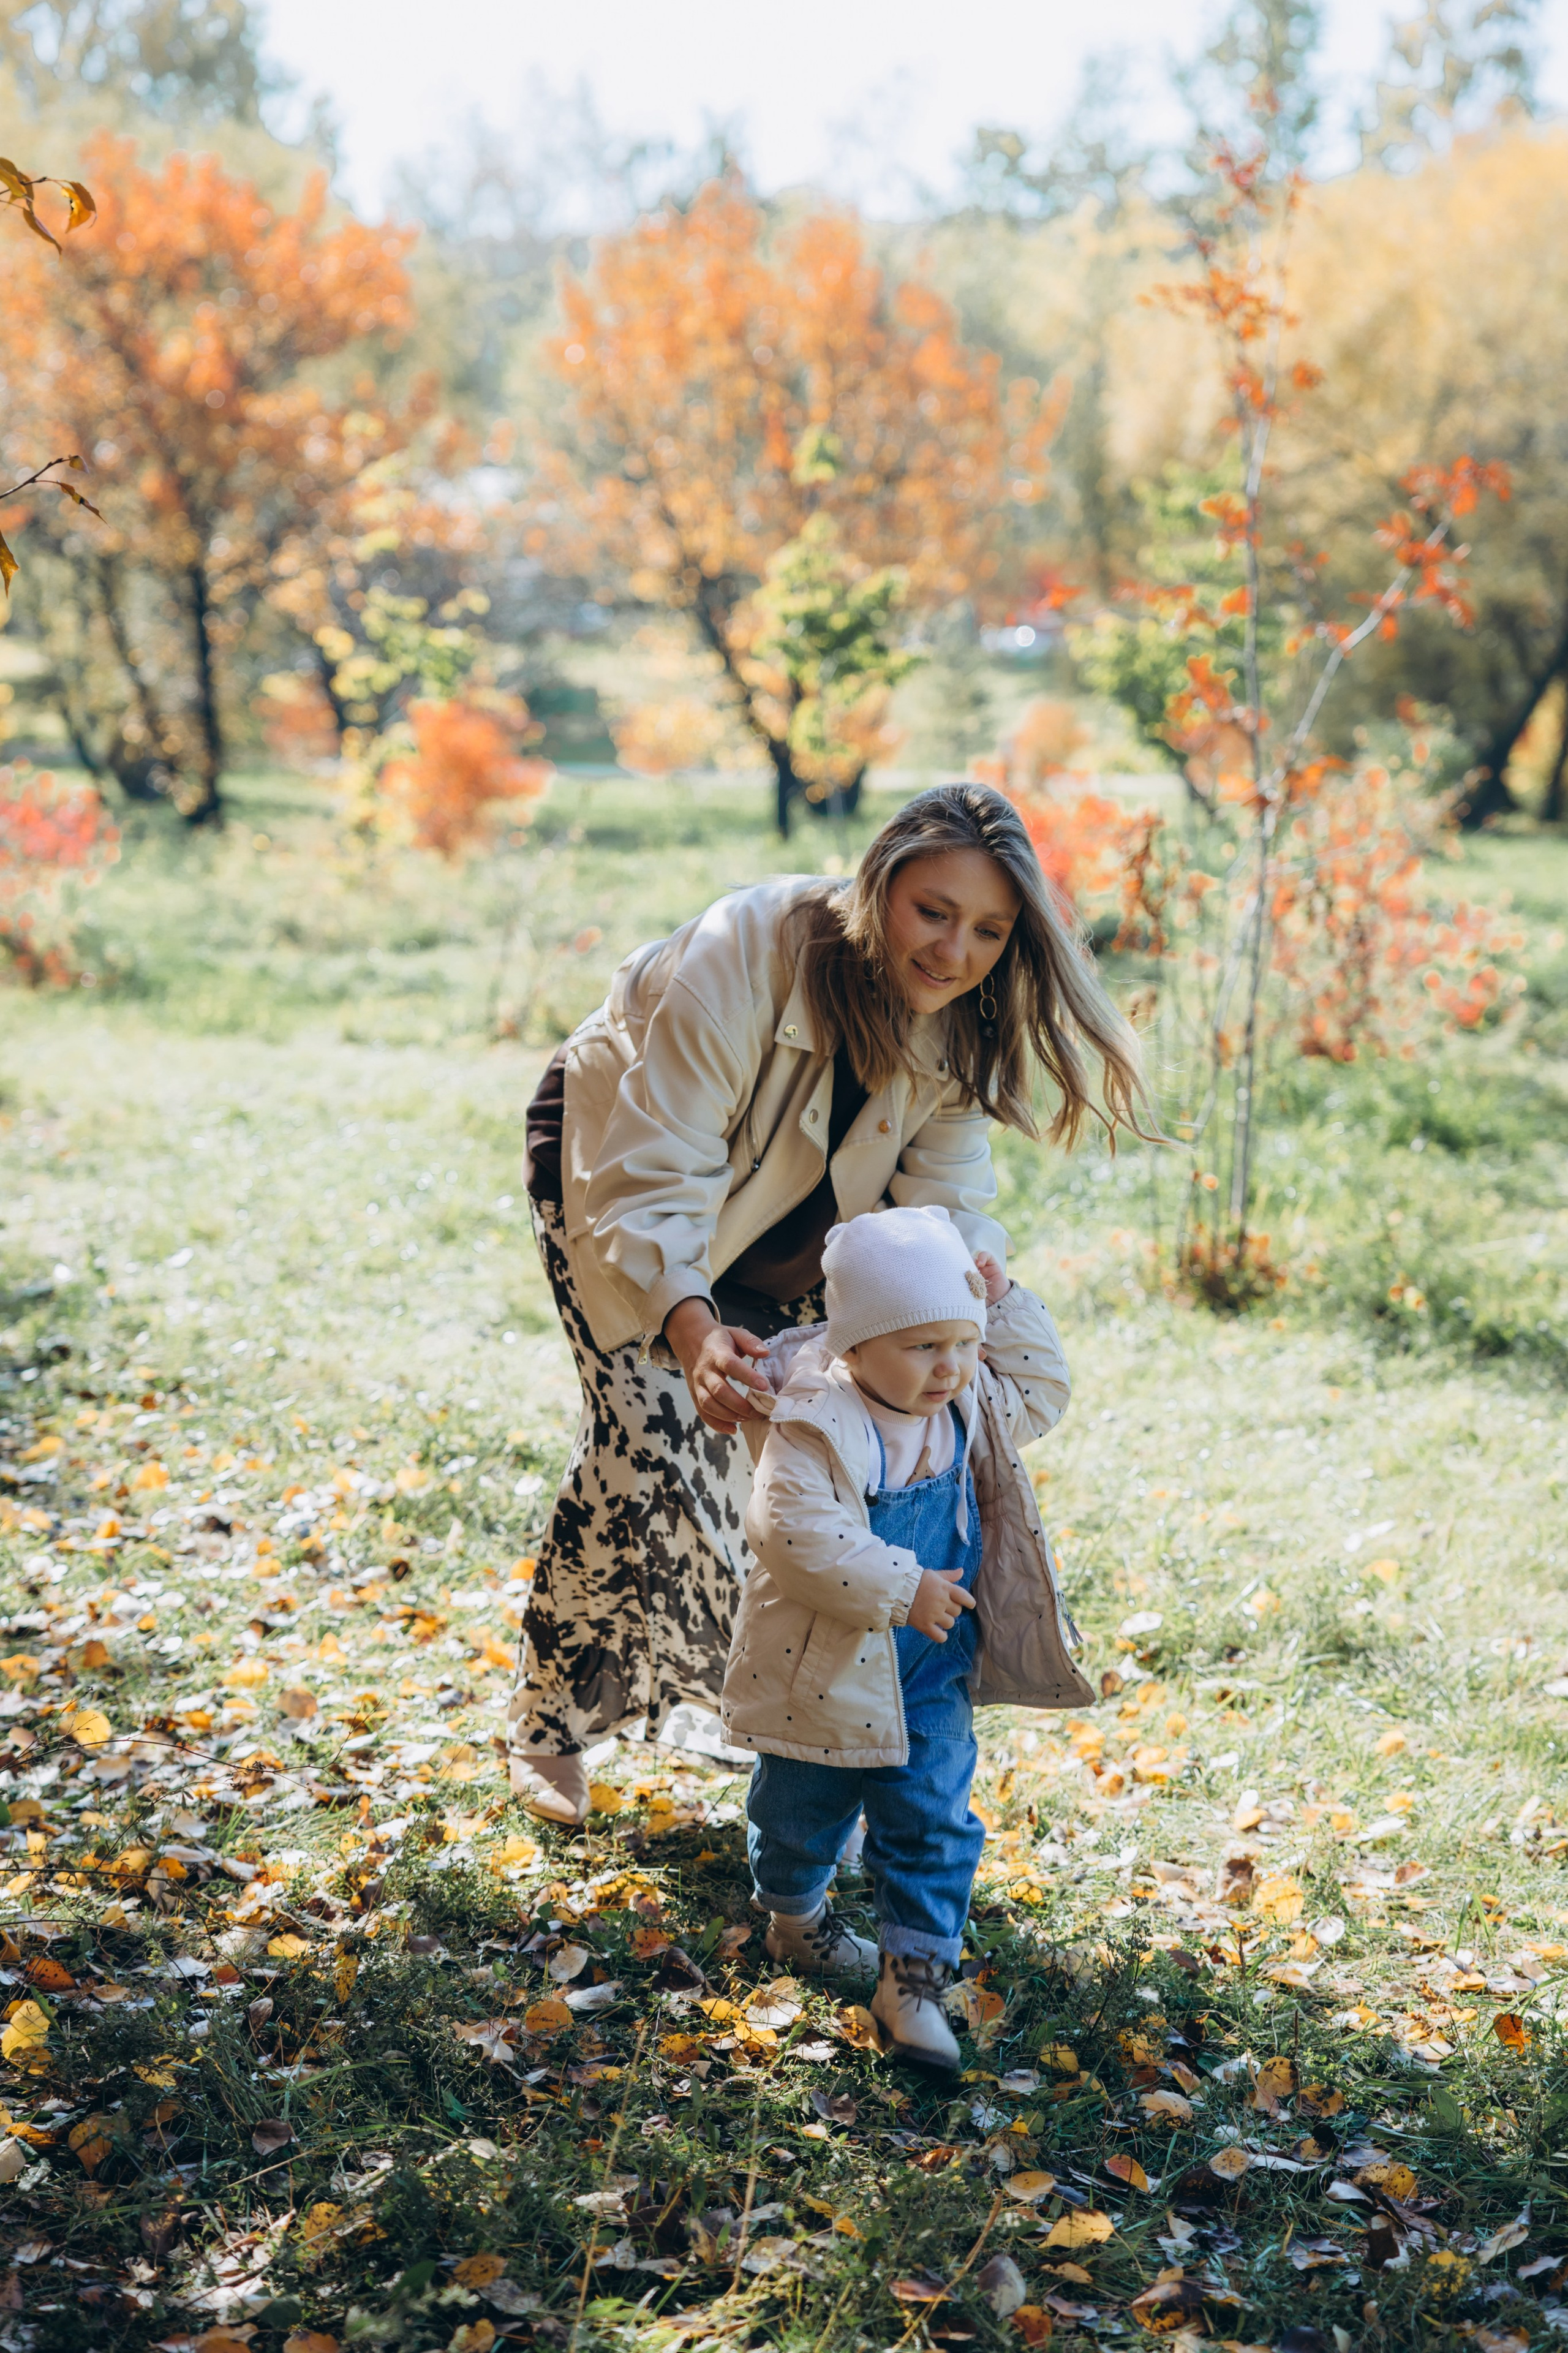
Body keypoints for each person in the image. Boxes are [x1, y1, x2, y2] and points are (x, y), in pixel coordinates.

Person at [511, 781, 1147, 1826]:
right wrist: (695, 1326)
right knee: (653, 1431)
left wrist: (967, 1282)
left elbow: (947, 1195)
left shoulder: (959, 1019)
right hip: (616, 1172)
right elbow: (655, 1169)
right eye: (932, 910)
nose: (955, 950)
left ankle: (752, 1710)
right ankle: (551, 1726)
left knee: (802, 1454)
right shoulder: (745, 950)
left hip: (808, 1221)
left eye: (989, 929)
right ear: (879, 883)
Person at [720, 1204, 1090, 2071]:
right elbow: (793, 1530)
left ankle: (913, 1983)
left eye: (962, 1342)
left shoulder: (966, 1401)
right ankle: (794, 1916)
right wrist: (901, 1585)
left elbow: (1041, 1389)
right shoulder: (818, 1419)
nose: (951, 1366)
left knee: (934, 1816)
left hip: (930, 1662)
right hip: (828, 1666)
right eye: (924, 1346)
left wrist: (1002, 1304)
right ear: (856, 1346)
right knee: (800, 1813)